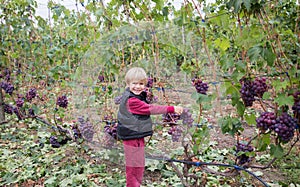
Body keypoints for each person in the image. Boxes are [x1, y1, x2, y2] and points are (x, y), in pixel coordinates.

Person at [117, 67, 183, 187]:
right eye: (134, 83)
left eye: (141, 84)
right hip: (131, 137)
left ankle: (137, 184)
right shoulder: (131, 101)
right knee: (133, 166)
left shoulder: (137, 95)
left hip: (136, 134)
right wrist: (171, 108)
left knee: (140, 163)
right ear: (128, 84)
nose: (138, 86)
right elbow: (150, 109)